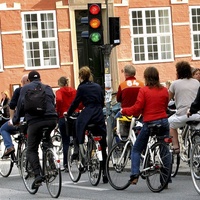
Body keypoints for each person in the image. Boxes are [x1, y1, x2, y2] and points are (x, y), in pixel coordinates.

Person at [119, 66, 170, 185]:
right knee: (164, 149)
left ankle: (134, 176)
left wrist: (124, 111)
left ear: (146, 77)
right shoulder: (164, 90)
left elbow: (137, 108)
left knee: (136, 149)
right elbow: (165, 104)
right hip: (163, 121)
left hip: (150, 122)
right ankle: (166, 180)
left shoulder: (144, 90)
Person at [12, 70, 58, 189]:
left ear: (29, 80)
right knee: (46, 138)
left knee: (32, 149)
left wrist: (15, 120)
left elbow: (21, 105)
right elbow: (53, 102)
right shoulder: (47, 87)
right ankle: (52, 163)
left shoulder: (25, 88)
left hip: (35, 121)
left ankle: (38, 176)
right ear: (40, 79)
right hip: (52, 119)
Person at [66, 66, 108, 183]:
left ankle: (78, 148)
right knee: (102, 143)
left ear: (80, 76)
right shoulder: (98, 86)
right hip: (98, 115)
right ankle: (105, 172)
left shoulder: (81, 88)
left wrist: (68, 113)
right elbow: (101, 101)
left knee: (77, 126)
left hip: (88, 114)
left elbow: (76, 102)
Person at [168, 61, 200, 153]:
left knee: (170, 124)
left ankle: (176, 147)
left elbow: (167, 100)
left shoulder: (175, 84)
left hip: (183, 115)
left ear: (178, 72)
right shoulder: (197, 83)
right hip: (197, 113)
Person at [0, 74, 29, 157]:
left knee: (3, 128)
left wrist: (11, 120)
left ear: (23, 82)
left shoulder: (19, 90)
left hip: (20, 121)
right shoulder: (38, 89)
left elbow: (12, 105)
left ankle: (10, 146)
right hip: (35, 120)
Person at [55, 76, 78, 172]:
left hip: (63, 117)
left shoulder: (59, 92)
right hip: (75, 116)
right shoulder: (74, 90)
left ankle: (66, 164)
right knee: (77, 138)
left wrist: (58, 110)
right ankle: (79, 160)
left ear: (60, 83)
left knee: (65, 141)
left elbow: (59, 100)